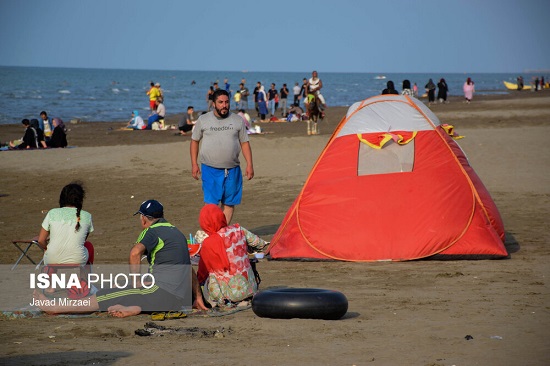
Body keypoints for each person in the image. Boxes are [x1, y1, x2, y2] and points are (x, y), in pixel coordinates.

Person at [33, 199, 208, 317]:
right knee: (124, 289)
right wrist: (197, 296)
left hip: (162, 294)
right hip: (177, 300)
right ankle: (135, 308)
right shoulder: (176, 231)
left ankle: (56, 308)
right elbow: (188, 268)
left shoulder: (151, 231)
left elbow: (135, 253)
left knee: (110, 293)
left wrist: (135, 282)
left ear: (144, 219)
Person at [190, 89, 254, 224]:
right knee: (211, 205)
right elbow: (194, 141)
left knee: (229, 203)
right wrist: (194, 164)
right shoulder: (203, 120)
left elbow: (244, 143)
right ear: (213, 103)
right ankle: (212, 232)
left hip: (233, 169)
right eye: (220, 102)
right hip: (210, 169)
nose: (224, 105)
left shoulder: (237, 120)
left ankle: (221, 231)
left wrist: (249, 164)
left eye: (226, 102)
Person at [196, 204, 262, 307]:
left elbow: (202, 273)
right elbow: (259, 243)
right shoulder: (239, 229)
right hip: (250, 290)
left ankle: (223, 301)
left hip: (229, 296)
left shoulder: (208, 243)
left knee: (208, 278)